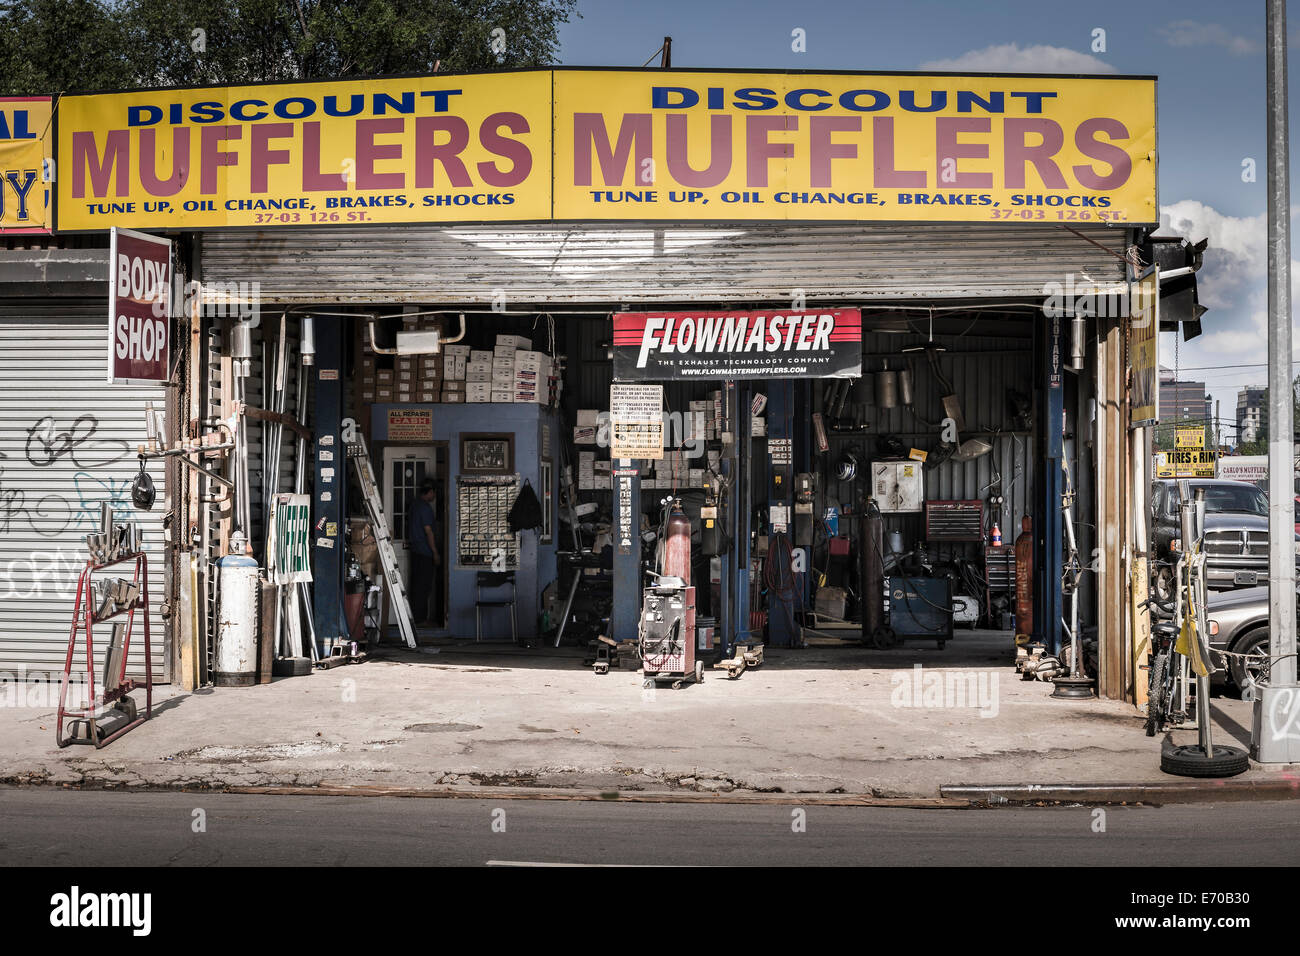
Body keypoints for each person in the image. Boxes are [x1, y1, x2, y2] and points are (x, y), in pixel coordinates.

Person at [406, 478, 440, 626]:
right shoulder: (425, 508)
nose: (434, 496)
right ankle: (421, 620)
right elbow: (429, 532)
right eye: (434, 492)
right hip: (425, 552)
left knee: (416, 585)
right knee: (423, 586)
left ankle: (415, 617)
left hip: (415, 551)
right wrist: (435, 552)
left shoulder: (414, 505)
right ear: (430, 491)